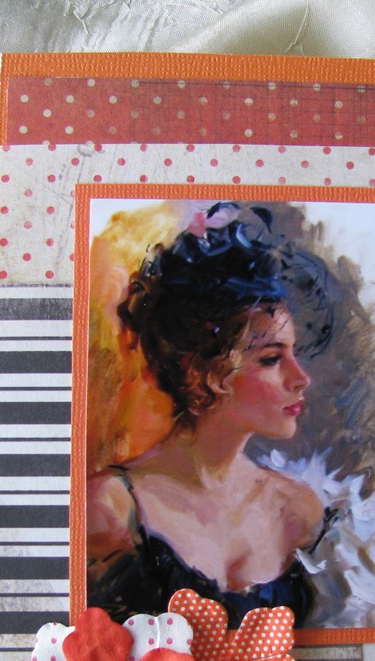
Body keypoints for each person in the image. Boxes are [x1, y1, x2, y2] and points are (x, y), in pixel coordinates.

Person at [86, 214, 334, 629]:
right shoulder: (112, 508)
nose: (300, 378)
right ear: (203, 372)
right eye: (271, 359)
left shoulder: (298, 511)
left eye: (293, 353)